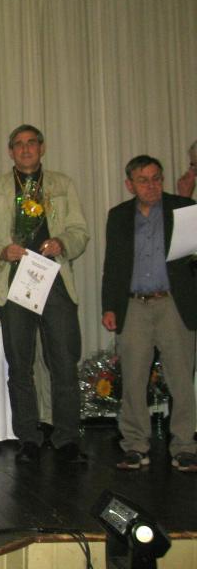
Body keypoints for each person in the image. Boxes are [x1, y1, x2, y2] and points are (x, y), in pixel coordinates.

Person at [0, 124, 89, 464]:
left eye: (31, 143)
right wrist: (0, 250)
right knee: (20, 366)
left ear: (42, 147)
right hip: (12, 281)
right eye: (19, 144)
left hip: (54, 279)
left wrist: (62, 242)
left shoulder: (61, 185)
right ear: (10, 151)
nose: (25, 149)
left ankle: (67, 438)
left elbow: (80, 230)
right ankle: (28, 438)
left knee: (64, 362)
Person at [102, 155, 197, 472]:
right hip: (133, 305)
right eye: (143, 180)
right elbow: (112, 265)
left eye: (156, 178)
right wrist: (109, 306)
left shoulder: (182, 208)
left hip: (173, 303)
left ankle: (184, 446)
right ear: (129, 184)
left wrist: (189, 200)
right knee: (133, 378)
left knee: (181, 378)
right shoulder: (118, 216)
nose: (152, 185)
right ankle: (135, 445)